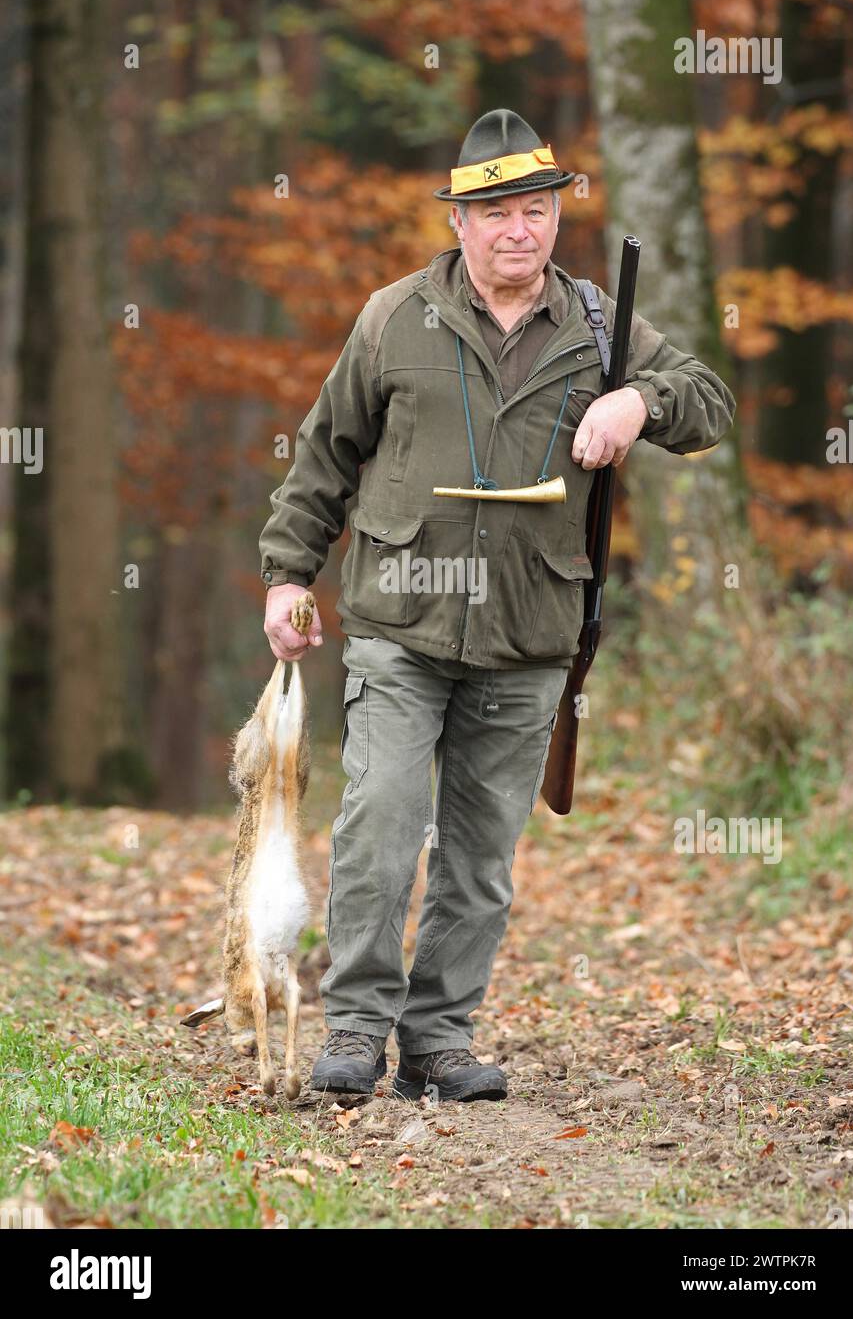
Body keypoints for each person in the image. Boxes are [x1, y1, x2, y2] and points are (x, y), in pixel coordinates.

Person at [259, 109, 735, 1102]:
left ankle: (438, 1038)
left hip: (528, 635)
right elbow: (325, 450)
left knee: (478, 858)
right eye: (496, 213)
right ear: (459, 224)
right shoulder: (393, 317)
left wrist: (637, 402)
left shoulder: (600, 327)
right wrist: (288, 572)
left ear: (556, 215)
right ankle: (355, 1026)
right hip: (401, 621)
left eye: (537, 209)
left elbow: (709, 404)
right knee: (381, 822)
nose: (520, 230)